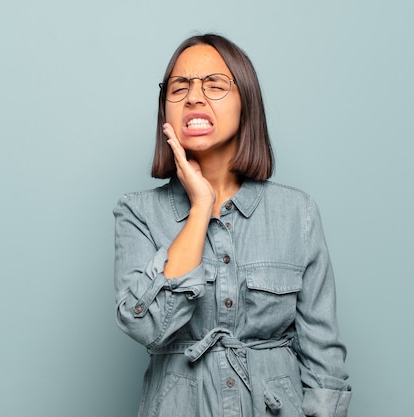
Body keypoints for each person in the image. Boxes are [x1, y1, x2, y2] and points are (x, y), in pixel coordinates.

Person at [114, 33, 351, 417]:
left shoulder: (297, 213)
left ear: (246, 103)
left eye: (214, 84)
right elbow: (147, 326)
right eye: (180, 87)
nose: (193, 97)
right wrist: (200, 208)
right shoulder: (137, 212)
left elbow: (324, 358)